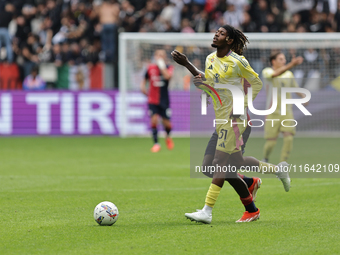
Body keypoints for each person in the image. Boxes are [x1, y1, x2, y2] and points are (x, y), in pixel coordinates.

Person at [172, 25, 290, 224]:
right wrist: (188, 66)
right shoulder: (210, 59)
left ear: (229, 40)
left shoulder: (238, 61)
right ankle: (265, 177)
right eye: (216, 31)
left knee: (220, 164)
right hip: (221, 119)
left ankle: (207, 211)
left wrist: (240, 106)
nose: (216, 34)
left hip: (235, 118)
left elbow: (257, 83)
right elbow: (210, 82)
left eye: (222, 33)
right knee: (215, 166)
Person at [262, 52, 307, 163]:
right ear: (274, 61)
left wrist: (303, 97)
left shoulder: (289, 74)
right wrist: (291, 64)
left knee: (289, 137)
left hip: (286, 112)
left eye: (285, 59)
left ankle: (283, 163)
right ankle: (265, 158)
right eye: (281, 59)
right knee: (271, 142)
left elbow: (295, 87)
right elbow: (274, 75)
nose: (284, 61)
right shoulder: (267, 71)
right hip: (272, 112)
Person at [141, 49, 175, 153]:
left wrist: (162, 66)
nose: (160, 57)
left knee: (167, 124)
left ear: (165, 57)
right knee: (154, 119)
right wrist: (143, 89)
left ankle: (168, 137)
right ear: (155, 56)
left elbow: (168, 77)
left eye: (162, 55)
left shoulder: (169, 67)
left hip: (164, 100)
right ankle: (156, 144)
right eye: (158, 55)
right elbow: (144, 81)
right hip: (152, 100)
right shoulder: (150, 68)